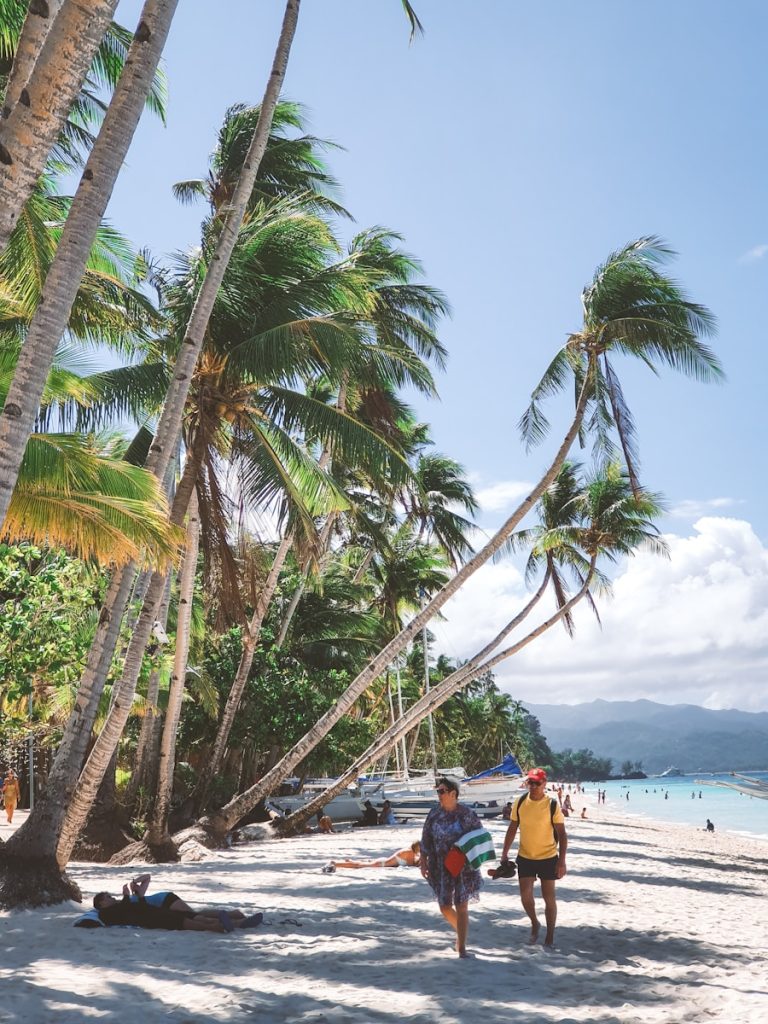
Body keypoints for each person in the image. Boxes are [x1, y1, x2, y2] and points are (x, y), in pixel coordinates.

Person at [500, 767, 567, 949]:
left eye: (537, 783)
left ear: (544, 784)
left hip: (548, 857)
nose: (533, 786)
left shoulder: (552, 805)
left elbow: (562, 834)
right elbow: (512, 828)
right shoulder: (520, 802)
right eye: (530, 782)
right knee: (525, 896)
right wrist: (505, 853)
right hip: (526, 856)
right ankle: (535, 923)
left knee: (549, 898)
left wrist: (562, 861)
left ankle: (550, 936)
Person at [420, 777, 482, 958]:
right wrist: (423, 862)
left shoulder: (467, 814)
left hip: (464, 866)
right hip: (440, 866)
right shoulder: (434, 814)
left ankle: (461, 946)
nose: (439, 795)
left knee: (461, 904)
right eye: (438, 791)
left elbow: (479, 836)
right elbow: (425, 839)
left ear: (453, 793)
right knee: (445, 906)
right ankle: (461, 931)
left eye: (442, 791)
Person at [91, 874, 262, 932]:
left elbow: (140, 906)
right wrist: (127, 895)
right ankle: (222, 926)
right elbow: (125, 915)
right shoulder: (106, 914)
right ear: (101, 904)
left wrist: (133, 892)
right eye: (106, 897)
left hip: (156, 912)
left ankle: (237, 922)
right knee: (192, 921)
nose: (110, 897)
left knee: (195, 917)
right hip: (152, 919)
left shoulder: (122, 903)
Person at [331, 841, 421, 869]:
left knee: (360, 864)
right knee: (358, 866)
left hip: (384, 861)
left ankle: (350, 861)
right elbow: (411, 864)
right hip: (382, 863)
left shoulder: (409, 851)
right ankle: (336, 863)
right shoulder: (409, 853)